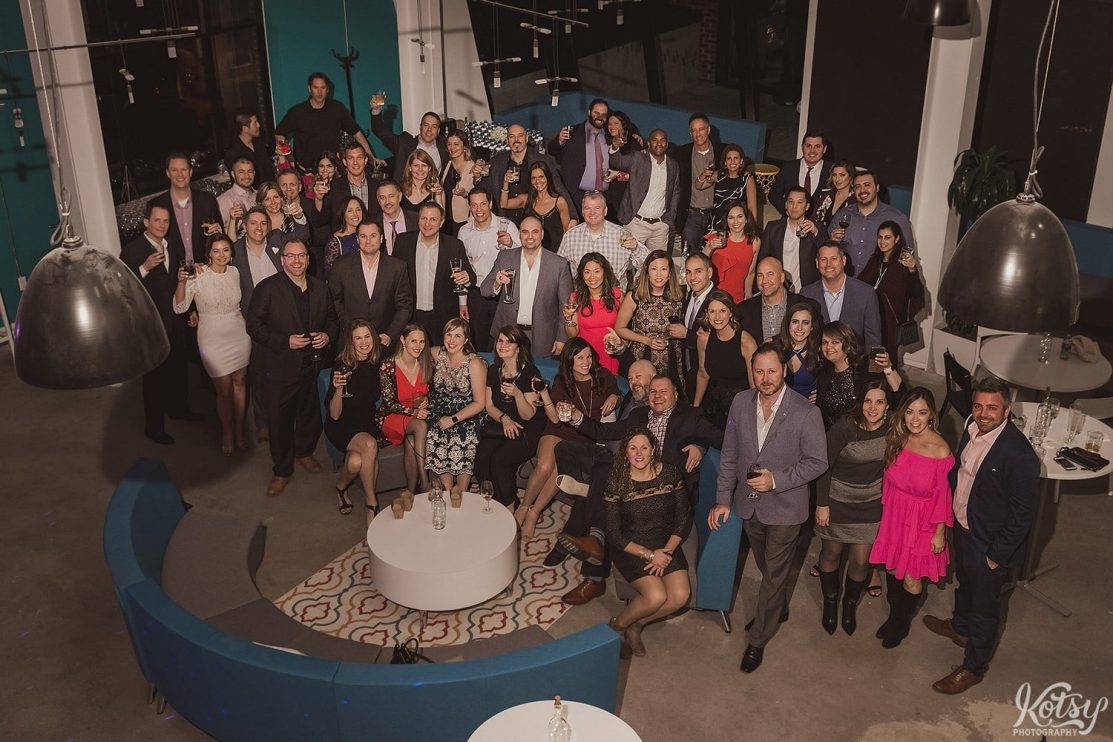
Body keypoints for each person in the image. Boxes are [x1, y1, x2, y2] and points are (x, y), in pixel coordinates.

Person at [709, 342, 828, 673]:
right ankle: (776, 606)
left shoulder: (806, 412)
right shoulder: (740, 402)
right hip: (749, 506)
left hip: (787, 509)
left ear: (784, 371)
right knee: (766, 566)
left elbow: (818, 462)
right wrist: (722, 498)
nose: (765, 378)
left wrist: (777, 480)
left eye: (772, 370)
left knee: (774, 574)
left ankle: (758, 639)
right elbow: (730, 453)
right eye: (759, 371)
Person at [925, 377, 1040, 694]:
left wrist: (996, 555)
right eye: (978, 406)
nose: (983, 414)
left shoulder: (1019, 455)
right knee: (965, 583)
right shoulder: (971, 427)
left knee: (985, 607)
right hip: (963, 528)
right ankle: (960, 628)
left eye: (992, 408)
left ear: (1007, 410)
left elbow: (1023, 515)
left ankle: (973, 668)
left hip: (989, 543)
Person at [547, 359, 656, 606]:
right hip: (606, 453)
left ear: (654, 377)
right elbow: (608, 430)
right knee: (564, 449)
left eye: (639, 376)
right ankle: (585, 490)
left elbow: (689, 427)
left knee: (597, 488)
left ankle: (592, 577)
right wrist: (577, 417)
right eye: (630, 377)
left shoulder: (652, 409)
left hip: (626, 468)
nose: (633, 382)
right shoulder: (632, 400)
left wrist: (698, 446)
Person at [245, 237, 339, 497]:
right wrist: (284, 341)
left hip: (313, 365)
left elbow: (332, 320)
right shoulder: (267, 288)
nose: (297, 261)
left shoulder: (320, 288)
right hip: (280, 367)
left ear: (308, 259)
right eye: (291, 256)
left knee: (310, 414)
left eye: (301, 256)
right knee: (280, 421)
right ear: (282, 260)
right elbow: (253, 326)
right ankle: (282, 470)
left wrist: (327, 336)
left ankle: (304, 452)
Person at [869, 387, 954, 649]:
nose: (915, 419)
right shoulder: (899, 438)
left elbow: (944, 496)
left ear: (932, 415)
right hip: (896, 513)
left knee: (912, 576)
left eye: (922, 412)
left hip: (924, 520)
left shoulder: (941, 451)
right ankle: (895, 614)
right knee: (893, 567)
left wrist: (940, 532)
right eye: (909, 412)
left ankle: (900, 622)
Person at [516, 338, 620, 537]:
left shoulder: (603, 376)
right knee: (544, 466)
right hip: (558, 430)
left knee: (558, 469)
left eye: (589, 357)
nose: (586, 362)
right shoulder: (561, 381)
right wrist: (548, 398)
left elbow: (615, 390)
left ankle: (534, 513)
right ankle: (524, 507)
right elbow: (555, 420)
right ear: (570, 360)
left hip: (583, 437)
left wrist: (614, 396)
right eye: (580, 358)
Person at [603, 428, 693, 659]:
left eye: (644, 447)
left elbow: (683, 519)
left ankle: (636, 623)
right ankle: (617, 626)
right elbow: (613, 533)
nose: (639, 453)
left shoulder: (670, 473)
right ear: (625, 453)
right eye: (633, 448)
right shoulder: (617, 482)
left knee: (680, 596)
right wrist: (650, 555)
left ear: (653, 450)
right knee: (656, 597)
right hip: (630, 546)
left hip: (665, 543)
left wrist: (666, 552)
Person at [814, 381, 890, 636]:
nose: (873, 407)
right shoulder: (844, 428)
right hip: (837, 502)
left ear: (887, 406)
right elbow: (823, 465)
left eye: (879, 402)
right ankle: (830, 602)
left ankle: (849, 605)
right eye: (868, 401)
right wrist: (822, 504)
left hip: (870, 505)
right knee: (831, 553)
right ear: (861, 402)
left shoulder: (893, 429)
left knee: (860, 561)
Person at [120, 202, 200, 444]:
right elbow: (123, 288)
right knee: (155, 376)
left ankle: (179, 409)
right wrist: (145, 267)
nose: (162, 225)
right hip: (151, 322)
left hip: (175, 316)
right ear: (146, 222)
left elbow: (179, 280)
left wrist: (189, 310)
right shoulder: (131, 251)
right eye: (157, 220)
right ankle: (153, 427)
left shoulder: (172, 244)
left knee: (179, 366)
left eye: (166, 221)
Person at [172, 233, 251, 454]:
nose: (221, 255)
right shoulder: (198, 275)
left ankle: (240, 429)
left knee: (240, 383)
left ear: (231, 252)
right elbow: (179, 307)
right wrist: (181, 282)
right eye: (216, 251)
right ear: (209, 253)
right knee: (223, 390)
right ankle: (227, 432)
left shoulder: (235, 272)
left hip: (238, 333)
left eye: (225, 250)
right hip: (212, 337)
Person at [481, 216, 573, 359]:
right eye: (525, 232)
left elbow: (566, 305)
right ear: (519, 234)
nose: (530, 237)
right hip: (507, 335)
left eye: (535, 232)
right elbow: (484, 290)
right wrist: (496, 283)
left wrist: (562, 337)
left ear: (542, 234)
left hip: (543, 338)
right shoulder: (505, 257)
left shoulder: (559, 264)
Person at [474, 325, 546, 508]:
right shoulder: (493, 370)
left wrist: (517, 394)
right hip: (502, 425)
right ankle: (491, 501)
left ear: (518, 348)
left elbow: (528, 415)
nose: (503, 345)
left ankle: (509, 504)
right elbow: (489, 405)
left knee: (500, 460)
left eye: (509, 342)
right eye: (500, 341)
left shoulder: (530, 373)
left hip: (526, 429)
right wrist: (505, 419)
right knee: (482, 456)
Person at [232, 206, 285, 443]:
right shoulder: (235, 251)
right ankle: (262, 422)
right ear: (245, 225)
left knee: (283, 371)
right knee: (258, 372)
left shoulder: (277, 244)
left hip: (281, 318)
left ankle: (283, 417)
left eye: (263, 223)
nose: (259, 228)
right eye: (253, 223)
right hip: (252, 320)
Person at [325, 319, 383, 524]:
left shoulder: (377, 360)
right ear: (351, 341)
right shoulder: (342, 365)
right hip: (342, 425)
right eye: (358, 338)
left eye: (367, 336)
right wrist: (339, 389)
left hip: (366, 421)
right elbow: (334, 415)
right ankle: (371, 504)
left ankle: (340, 488)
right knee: (369, 445)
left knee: (355, 462)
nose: (364, 342)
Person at [392, 202, 475, 344]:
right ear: (418, 220)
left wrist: (466, 277)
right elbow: (393, 277)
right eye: (423, 218)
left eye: (433, 219)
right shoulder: (402, 242)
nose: (427, 224)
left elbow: (470, 277)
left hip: (442, 316)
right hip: (410, 315)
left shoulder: (454, 245)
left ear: (441, 222)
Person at [425, 318, 487, 493]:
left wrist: (453, 419)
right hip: (438, 410)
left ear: (466, 339)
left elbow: (479, 403)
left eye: (458, 336)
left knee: (462, 437)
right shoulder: (435, 353)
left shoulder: (474, 363)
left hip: (467, 413)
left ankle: (461, 492)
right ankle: (447, 490)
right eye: (449, 335)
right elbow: (412, 358)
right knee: (435, 433)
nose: (452, 340)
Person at [327, 219, 413, 345]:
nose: (368, 241)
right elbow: (334, 301)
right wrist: (350, 328)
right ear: (357, 239)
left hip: (384, 342)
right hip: (350, 341)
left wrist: (390, 334)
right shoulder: (341, 266)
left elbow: (405, 306)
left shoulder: (397, 267)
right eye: (363, 236)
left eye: (373, 236)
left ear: (381, 238)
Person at [615, 250, 686, 393]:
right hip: (642, 356)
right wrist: (646, 340)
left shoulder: (680, 295)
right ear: (647, 272)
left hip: (672, 358)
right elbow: (619, 328)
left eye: (663, 269)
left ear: (670, 272)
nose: (658, 274)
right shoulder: (635, 296)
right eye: (654, 269)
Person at [458, 188, 520, 350]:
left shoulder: (507, 226)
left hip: (505, 294)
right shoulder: (464, 232)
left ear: (491, 204)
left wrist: (511, 244)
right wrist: (462, 302)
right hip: (477, 295)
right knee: (479, 345)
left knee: (506, 343)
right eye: (474, 205)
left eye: (483, 204)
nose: (479, 209)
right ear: (469, 207)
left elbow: (524, 257)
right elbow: (462, 270)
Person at [275, 72, 375, 170]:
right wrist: (287, 156)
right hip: (305, 170)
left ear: (327, 89)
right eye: (315, 87)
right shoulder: (297, 112)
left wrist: (371, 157)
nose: (319, 92)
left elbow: (357, 133)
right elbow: (279, 133)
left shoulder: (337, 108)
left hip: (332, 168)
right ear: (309, 89)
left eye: (322, 88)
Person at [856, 221, 925, 361]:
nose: (882, 242)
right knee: (868, 354)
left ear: (897, 239)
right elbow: (860, 284)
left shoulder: (903, 263)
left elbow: (916, 292)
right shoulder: (875, 260)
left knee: (887, 358)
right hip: (870, 316)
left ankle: (889, 376)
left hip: (890, 321)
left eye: (887, 237)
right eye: (880, 237)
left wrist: (912, 269)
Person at [377, 324, 433, 494]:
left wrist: (427, 401)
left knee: (411, 442)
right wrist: (413, 412)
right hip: (392, 417)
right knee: (420, 426)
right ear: (403, 340)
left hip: (415, 417)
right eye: (413, 341)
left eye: (422, 342)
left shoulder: (426, 363)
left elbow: (433, 392)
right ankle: (425, 482)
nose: (418, 346)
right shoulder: (388, 366)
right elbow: (389, 403)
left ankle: (411, 492)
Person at [815, 320, 903, 429]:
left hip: (863, 433)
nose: (828, 347)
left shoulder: (866, 368)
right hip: (832, 434)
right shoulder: (823, 374)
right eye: (824, 342)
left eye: (835, 342)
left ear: (847, 344)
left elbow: (899, 396)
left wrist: (888, 368)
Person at [830, 170, 915, 276]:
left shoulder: (897, 218)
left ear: (877, 188)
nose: (862, 190)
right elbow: (827, 250)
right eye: (857, 187)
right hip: (846, 281)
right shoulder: (842, 215)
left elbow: (907, 257)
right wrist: (833, 242)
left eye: (867, 185)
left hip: (878, 283)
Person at [800, 241, 882, 351]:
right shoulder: (806, 294)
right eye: (824, 259)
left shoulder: (866, 293)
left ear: (843, 261)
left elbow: (873, 340)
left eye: (834, 259)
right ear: (817, 263)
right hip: (818, 360)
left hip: (855, 360)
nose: (828, 264)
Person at [608, 128, 680, 252]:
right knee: (628, 260)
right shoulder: (638, 158)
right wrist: (614, 146)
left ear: (667, 144)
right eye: (655, 140)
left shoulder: (673, 165)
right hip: (636, 223)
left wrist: (670, 218)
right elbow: (617, 160)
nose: (659, 143)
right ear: (649, 144)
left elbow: (675, 191)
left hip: (660, 226)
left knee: (658, 261)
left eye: (662, 140)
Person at [557, 191, 648, 289]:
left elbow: (648, 264)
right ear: (582, 212)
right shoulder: (571, 236)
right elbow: (558, 268)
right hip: (581, 294)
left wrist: (636, 248)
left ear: (605, 211)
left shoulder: (621, 234)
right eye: (587, 208)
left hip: (615, 295)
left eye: (597, 208)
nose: (592, 212)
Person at [693, 290, 756, 429]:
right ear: (706, 313)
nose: (717, 317)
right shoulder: (703, 338)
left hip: (740, 407)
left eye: (722, 311)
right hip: (713, 407)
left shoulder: (746, 341)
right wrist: (695, 407)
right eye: (712, 311)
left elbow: (754, 385)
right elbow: (703, 374)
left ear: (730, 312)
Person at [490, 123, 574, 224]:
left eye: (520, 136)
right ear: (507, 140)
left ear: (526, 138)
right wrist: (477, 176)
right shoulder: (497, 161)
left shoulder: (542, 160)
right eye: (512, 137)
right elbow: (487, 190)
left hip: (534, 224)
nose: (516, 140)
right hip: (506, 223)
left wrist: (573, 217)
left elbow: (560, 188)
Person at [151, 152, 222, 263]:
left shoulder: (207, 201)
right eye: (174, 170)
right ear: (168, 173)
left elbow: (220, 239)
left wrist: (219, 232)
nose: (180, 174)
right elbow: (151, 245)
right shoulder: (156, 206)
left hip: (205, 268)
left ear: (190, 172)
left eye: (184, 169)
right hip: (174, 272)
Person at [562, 252, 623, 374]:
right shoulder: (575, 298)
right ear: (582, 274)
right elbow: (572, 336)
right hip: (586, 357)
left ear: (604, 272)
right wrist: (568, 318)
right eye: (587, 272)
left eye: (597, 271)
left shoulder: (617, 294)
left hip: (612, 354)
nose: (592, 277)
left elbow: (625, 328)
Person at [672, 112, 726, 251]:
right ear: (690, 133)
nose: (698, 134)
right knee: (690, 256)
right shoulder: (681, 153)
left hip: (717, 215)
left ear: (708, 130)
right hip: (691, 216)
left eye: (701, 129)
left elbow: (740, 163)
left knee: (716, 255)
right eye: (694, 130)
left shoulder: (723, 152)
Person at [756, 186, 824, 292]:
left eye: (799, 202)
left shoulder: (816, 229)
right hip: (778, 290)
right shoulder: (772, 228)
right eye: (791, 202)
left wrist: (816, 232)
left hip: (806, 291)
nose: (794, 206)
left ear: (807, 206)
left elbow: (826, 253)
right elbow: (762, 259)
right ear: (785, 205)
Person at [735, 257, 817, 344]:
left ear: (782, 277)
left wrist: (775, 339)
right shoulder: (743, 310)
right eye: (760, 275)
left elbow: (815, 340)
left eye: (770, 274)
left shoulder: (806, 306)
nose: (764, 281)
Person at [547, 98, 612, 205]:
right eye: (596, 113)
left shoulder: (610, 134)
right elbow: (552, 150)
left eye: (603, 114)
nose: (600, 117)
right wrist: (560, 141)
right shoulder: (573, 131)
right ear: (589, 112)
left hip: (605, 195)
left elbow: (623, 124)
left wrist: (636, 136)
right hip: (577, 194)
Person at [370, 96, 448, 183]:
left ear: (438, 130)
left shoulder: (445, 146)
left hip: (434, 190)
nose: (429, 130)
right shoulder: (404, 145)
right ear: (420, 127)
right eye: (426, 125)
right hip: (408, 190)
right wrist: (376, 110)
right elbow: (381, 132)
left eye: (434, 127)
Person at [671, 252, 715, 388]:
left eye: (698, 271)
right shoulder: (689, 295)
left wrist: (687, 334)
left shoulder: (718, 300)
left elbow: (720, 341)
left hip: (710, 375)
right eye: (689, 272)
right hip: (689, 369)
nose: (692, 277)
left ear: (709, 272)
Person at [703, 200, 759, 303]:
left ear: (746, 219)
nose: (736, 222)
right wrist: (709, 248)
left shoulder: (754, 242)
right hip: (715, 297)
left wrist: (749, 298)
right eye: (731, 218)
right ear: (727, 220)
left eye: (740, 216)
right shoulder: (717, 238)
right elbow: (700, 263)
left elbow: (750, 273)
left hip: (738, 299)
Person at [513, 162, 573, 253]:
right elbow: (504, 204)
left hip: (555, 253)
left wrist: (562, 252)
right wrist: (506, 183)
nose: (537, 181)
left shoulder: (560, 202)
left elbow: (566, 231)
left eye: (541, 177)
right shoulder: (528, 200)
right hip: (533, 252)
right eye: (533, 178)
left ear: (547, 178)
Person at [768, 131, 831, 216]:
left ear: (825, 149)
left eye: (817, 146)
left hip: (819, 223)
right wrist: (789, 212)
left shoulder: (832, 171)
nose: (812, 150)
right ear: (802, 147)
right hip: (789, 221)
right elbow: (773, 195)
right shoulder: (788, 167)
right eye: (808, 146)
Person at [775, 301, 822, 401]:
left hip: (808, 408)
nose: (799, 328)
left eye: (805, 323)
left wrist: (822, 392)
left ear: (812, 326)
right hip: (777, 407)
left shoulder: (820, 350)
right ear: (788, 324)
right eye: (795, 322)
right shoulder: (774, 347)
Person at [703, 144, 758, 231]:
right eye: (729, 158)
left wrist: (752, 230)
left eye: (736, 158)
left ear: (741, 161)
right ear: (725, 162)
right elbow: (699, 185)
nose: (732, 161)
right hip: (716, 221)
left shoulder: (747, 179)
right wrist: (703, 175)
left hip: (736, 223)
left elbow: (752, 208)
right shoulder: (718, 175)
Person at [439, 130, 484, 236]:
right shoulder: (446, 164)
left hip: (463, 219)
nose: (452, 148)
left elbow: (479, 195)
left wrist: (464, 194)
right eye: (449, 144)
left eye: (456, 144)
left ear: (464, 147)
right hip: (446, 218)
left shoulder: (473, 167)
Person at [601, 110, 642, 218]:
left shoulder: (632, 143)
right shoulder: (607, 141)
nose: (612, 127)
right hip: (610, 194)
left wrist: (619, 174)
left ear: (623, 125)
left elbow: (640, 174)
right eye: (610, 124)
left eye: (616, 123)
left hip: (626, 196)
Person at [223, 110, 275, 185]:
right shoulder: (233, 152)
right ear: (245, 128)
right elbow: (239, 181)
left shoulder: (259, 144)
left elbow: (269, 171)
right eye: (255, 123)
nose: (259, 125)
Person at [256, 181, 311, 247]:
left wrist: (299, 216)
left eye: (276, 197)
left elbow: (303, 237)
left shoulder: (292, 218)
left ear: (281, 198)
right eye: (267, 199)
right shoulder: (257, 222)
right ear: (262, 203)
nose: (273, 202)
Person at [322, 196, 366, 275]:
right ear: (343, 214)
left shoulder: (368, 235)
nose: (355, 214)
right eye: (350, 211)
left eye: (358, 210)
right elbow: (330, 272)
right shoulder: (335, 241)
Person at [374, 179, 418, 257]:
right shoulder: (373, 224)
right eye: (382, 197)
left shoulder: (417, 220)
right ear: (378, 200)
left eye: (391, 196)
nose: (387, 202)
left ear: (400, 196)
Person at [809, 159, 855, 228]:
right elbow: (814, 220)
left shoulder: (855, 198)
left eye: (842, 175)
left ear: (850, 177)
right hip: (822, 234)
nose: (837, 179)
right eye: (834, 175)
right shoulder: (826, 195)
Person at [400, 149, 444, 216]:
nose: (420, 169)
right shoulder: (399, 189)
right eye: (416, 165)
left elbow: (441, 218)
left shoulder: (437, 190)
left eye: (424, 165)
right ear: (410, 168)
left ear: (429, 168)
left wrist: (438, 195)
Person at [217, 157, 257, 229]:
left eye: (250, 172)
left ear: (254, 173)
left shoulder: (260, 195)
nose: (247, 176)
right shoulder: (223, 200)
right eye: (241, 172)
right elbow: (218, 232)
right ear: (233, 174)